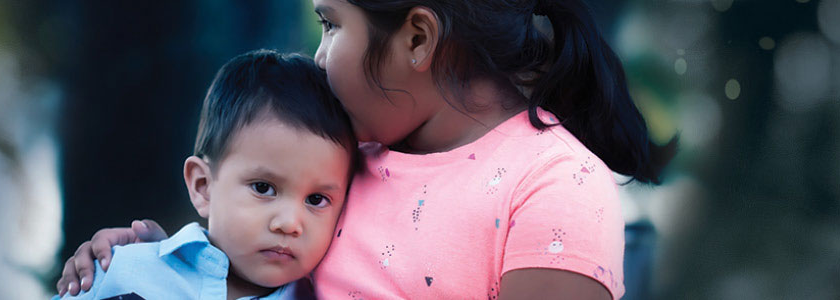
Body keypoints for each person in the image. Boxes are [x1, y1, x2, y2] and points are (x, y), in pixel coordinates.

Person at [58, 0, 675, 298]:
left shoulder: (553, 183)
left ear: (416, 37)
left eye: (330, 25)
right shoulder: (352, 154)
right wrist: (149, 263)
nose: (319, 57)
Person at [56, 50, 358, 300]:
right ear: (203, 187)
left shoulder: (329, 293)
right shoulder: (124, 271)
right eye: (264, 188)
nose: (289, 223)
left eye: (317, 199)